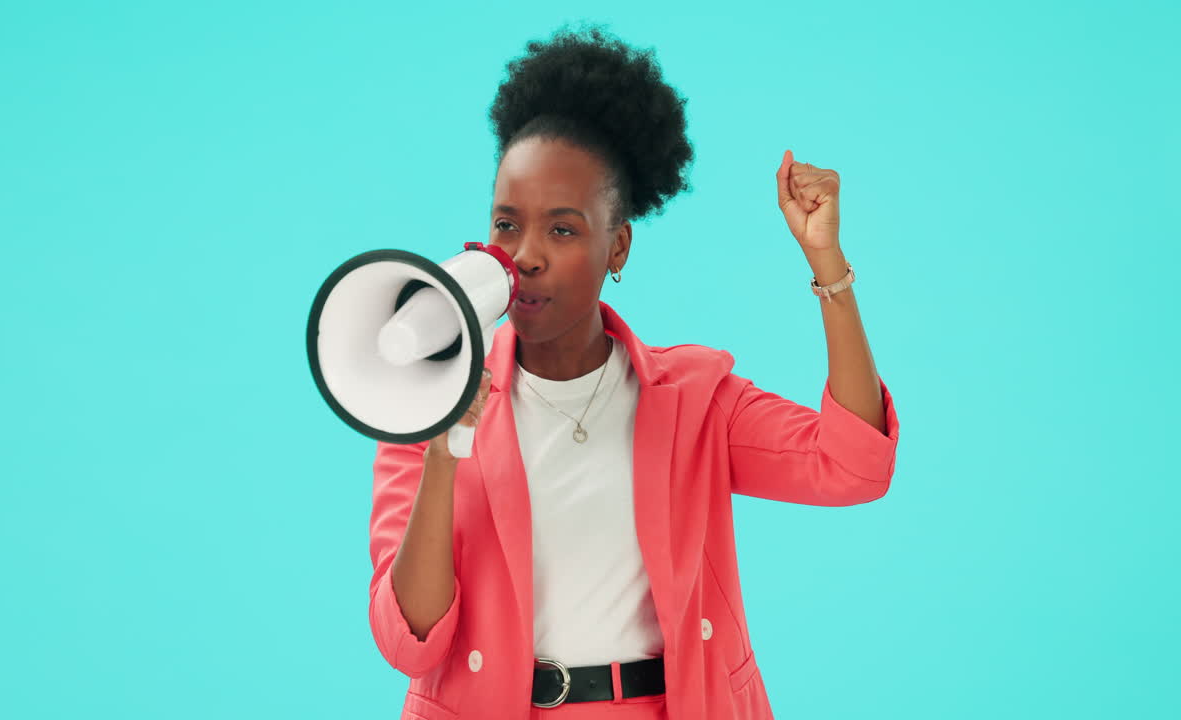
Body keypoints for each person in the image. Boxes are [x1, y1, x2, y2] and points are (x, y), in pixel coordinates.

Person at [367, 23, 900, 720]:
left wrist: (828, 265)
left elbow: (852, 466)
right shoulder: (424, 406)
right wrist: (445, 447)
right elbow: (409, 641)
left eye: (562, 229)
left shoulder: (697, 400)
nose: (525, 256)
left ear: (617, 247)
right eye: (506, 224)